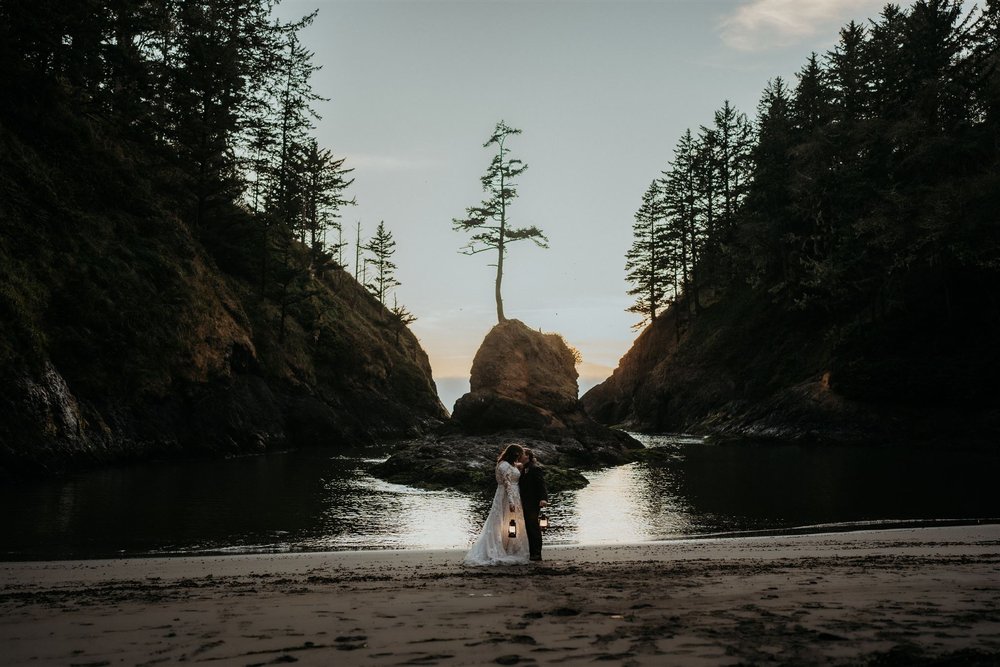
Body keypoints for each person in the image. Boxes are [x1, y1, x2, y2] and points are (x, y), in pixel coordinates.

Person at [462, 443, 531, 566]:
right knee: (501, 520)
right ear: (515, 454)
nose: (522, 456)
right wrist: (511, 501)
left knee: (511, 522)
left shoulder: (512, 464)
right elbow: (507, 484)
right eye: (521, 454)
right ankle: (497, 548)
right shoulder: (504, 465)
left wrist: (527, 462)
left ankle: (508, 546)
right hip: (505, 496)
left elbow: (518, 467)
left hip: (515, 494)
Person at [518, 448, 549, 561]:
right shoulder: (523, 468)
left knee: (533, 527)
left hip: (532, 503)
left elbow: (541, 485)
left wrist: (543, 499)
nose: (519, 456)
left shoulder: (535, 468)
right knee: (527, 528)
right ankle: (531, 552)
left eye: (522, 454)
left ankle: (537, 553)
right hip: (523, 503)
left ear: (528, 456)